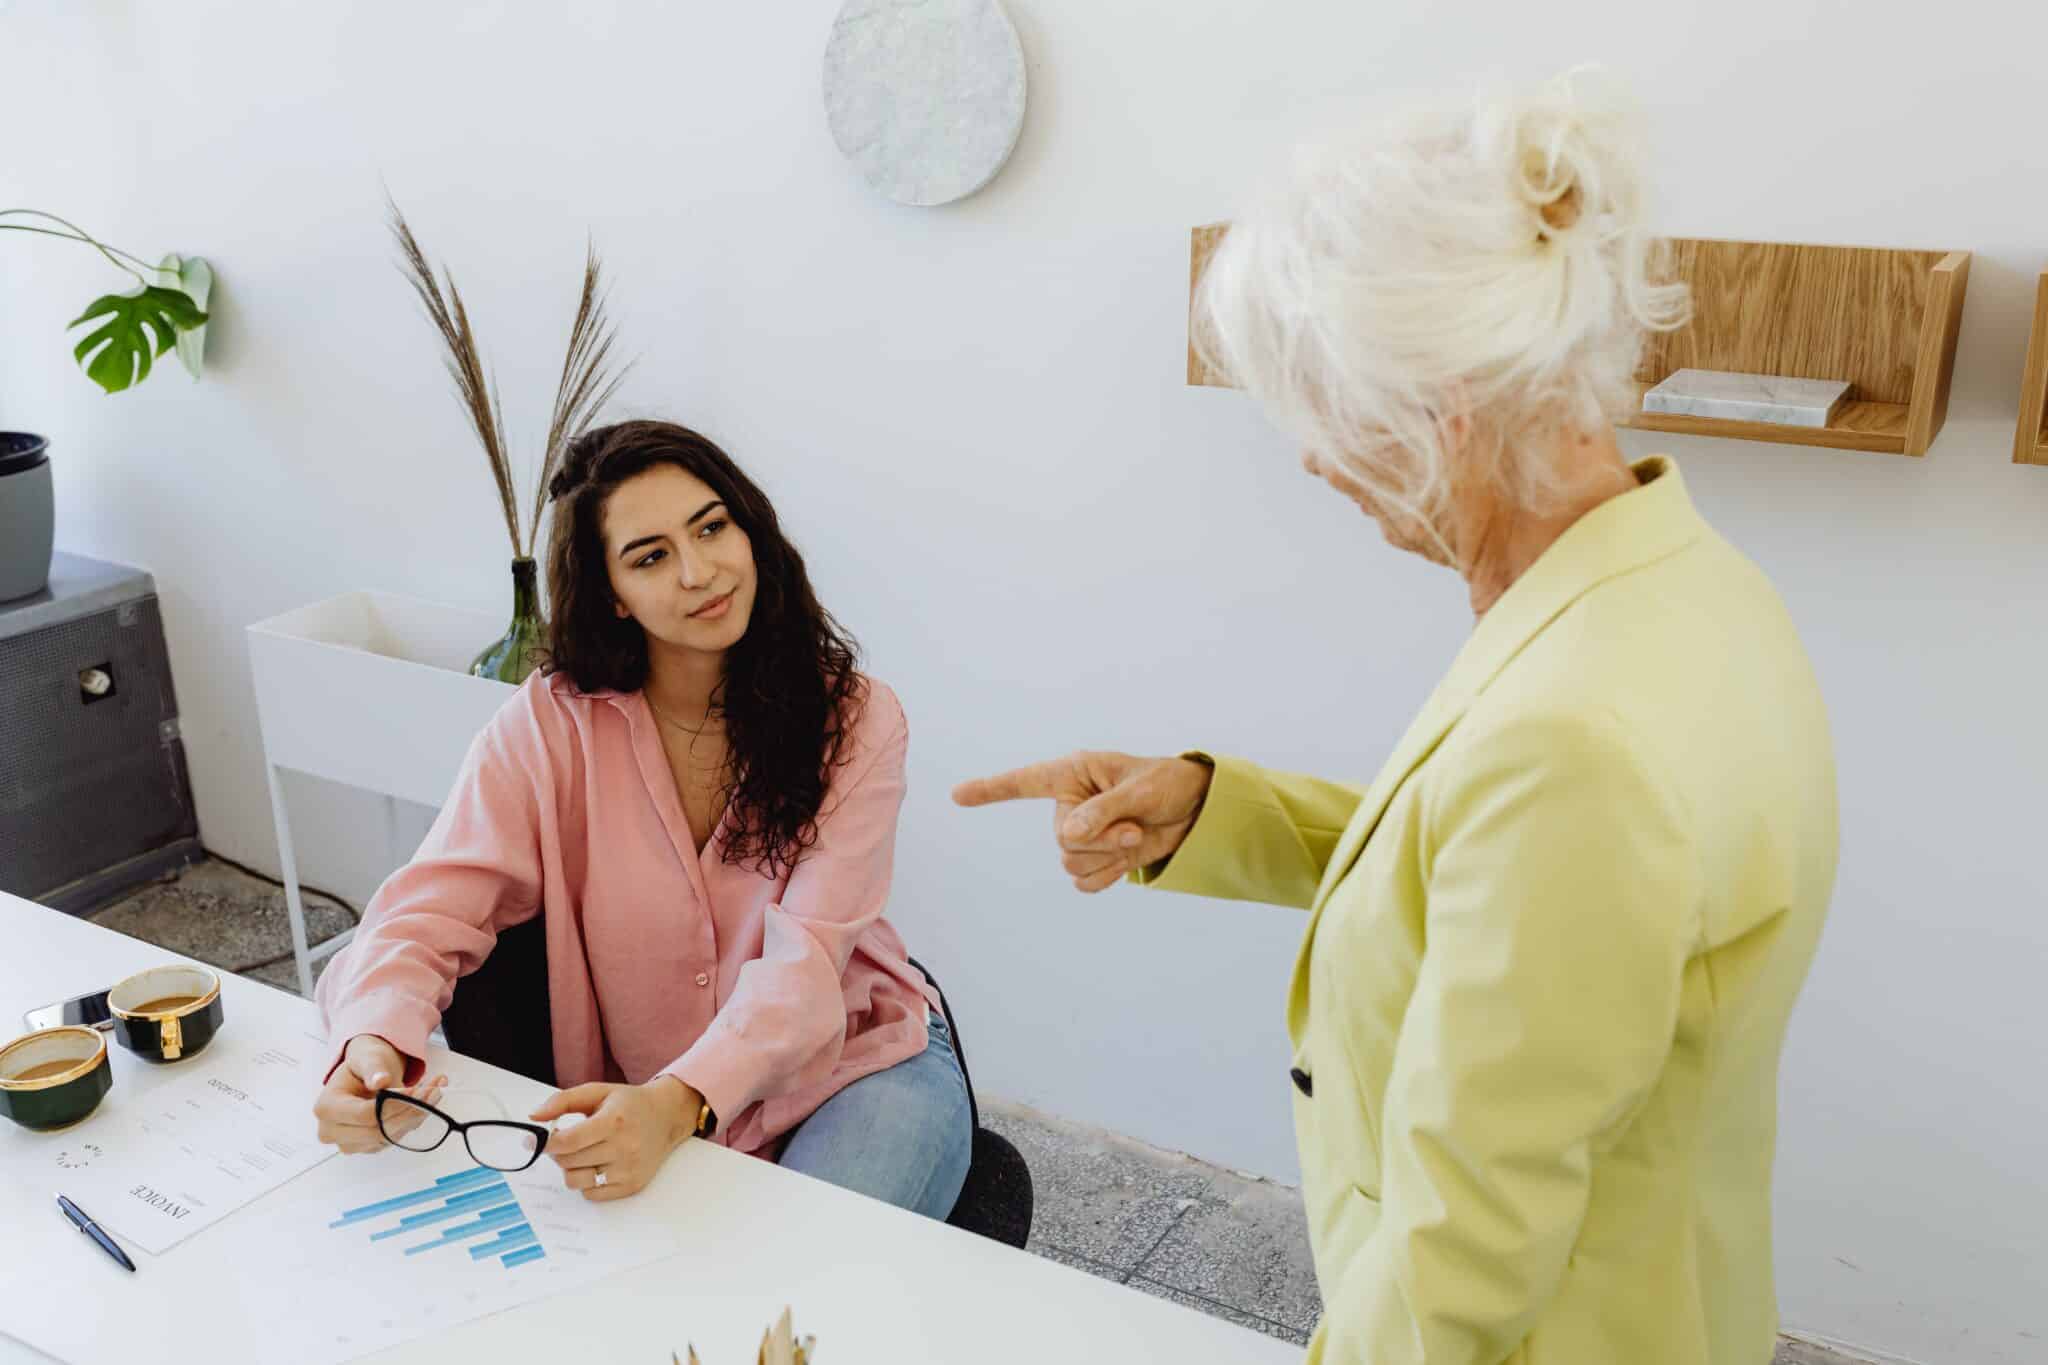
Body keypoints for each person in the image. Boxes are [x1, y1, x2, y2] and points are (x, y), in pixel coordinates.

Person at [955, 73, 1838, 1364]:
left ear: (1445, 413)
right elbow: (1493, 869)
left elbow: (1459, 1258)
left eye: (1321, 413)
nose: (1314, 461)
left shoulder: (1574, 746)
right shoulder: (1686, 585)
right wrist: (1215, 807)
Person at [312, 419, 972, 1220]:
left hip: (853, 1065)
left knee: (799, 1302)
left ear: (749, 526)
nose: (699, 572)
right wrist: (374, 1042)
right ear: (612, 592)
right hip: (643, 1100)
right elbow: (426, 909)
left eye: (711, 527)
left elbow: (804, 976)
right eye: (650, 556)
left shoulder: (858, 720)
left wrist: (677, 1102)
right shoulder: (550, 727)